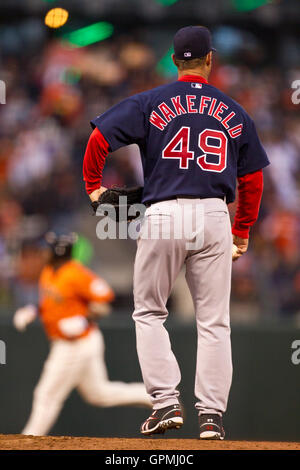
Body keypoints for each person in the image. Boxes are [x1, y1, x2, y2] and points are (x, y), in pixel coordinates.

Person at [83, 26, 269, 439]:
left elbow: (99, 138)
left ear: (174, 60)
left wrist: (93, 185)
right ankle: (212, 418)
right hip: (214, 215)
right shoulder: (235, 111)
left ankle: (166, 402)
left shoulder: (151, 101)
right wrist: (242, 231)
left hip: (164, 212)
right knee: (215, 323)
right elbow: (252, 178)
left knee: (149, 311)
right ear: (209, 60)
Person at [13, 233, 151, 436]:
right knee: (99, 393)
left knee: (47, 395)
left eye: (47, 248)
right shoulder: (50, 271)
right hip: (76, 342)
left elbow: (106, 301)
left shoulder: (76, 274)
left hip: (76, 343)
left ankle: (29, 439)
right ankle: (153, 397)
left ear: (58, 251)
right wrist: (33, 311)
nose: (43, 252)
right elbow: (51, 303)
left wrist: (85, 319)